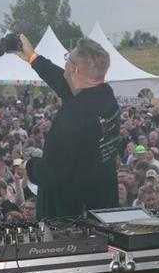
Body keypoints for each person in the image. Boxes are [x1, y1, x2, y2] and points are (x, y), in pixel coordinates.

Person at [15, 36, 121, 218]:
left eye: (67, 60)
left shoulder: (73, 116)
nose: (65, 64)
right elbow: (66, 84)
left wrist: (30, 166)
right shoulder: (105, 96)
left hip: (71, 219)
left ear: (75, 69)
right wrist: (33, 57)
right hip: (102, 206)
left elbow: (52, 172)